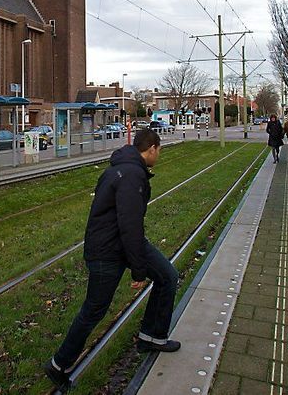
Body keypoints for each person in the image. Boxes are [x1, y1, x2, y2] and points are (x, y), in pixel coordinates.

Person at [45, 129, 179, 391]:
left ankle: (152, 335)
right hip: (108, 249)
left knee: (167, 276)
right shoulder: (131, 175)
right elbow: (129, 225)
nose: (159, 155)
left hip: (119, 243)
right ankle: (59, 364)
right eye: (159, 150)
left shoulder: (123, 169)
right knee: (94, 309)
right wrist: (139, 270)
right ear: (151, 148)